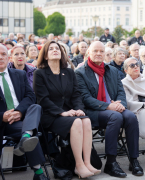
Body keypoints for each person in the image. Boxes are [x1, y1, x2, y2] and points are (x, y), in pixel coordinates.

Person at [75, 41, 143, 178]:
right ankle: (111, 163)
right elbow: (85, 98)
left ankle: (134, 160)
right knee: (115, 117)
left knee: (130, 116)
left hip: (113, 108)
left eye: (102, 51)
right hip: (93, 111)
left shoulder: (112, 70)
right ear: (89, 52)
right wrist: (108, 106)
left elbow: (120, 91)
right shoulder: (80, 72)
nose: (99, 54)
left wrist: (121, 104)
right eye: (95, 51)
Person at [33, 41, 100, 178]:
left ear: (62, 53)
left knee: (86, 120)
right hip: (51, 115)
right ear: (45, 55)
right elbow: (43, 100)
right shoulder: (39, 74)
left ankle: (87, 163)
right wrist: (61, 112)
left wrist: (79, 109)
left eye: (57, 48)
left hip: (71, 112)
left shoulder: (69, 72)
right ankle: (78, 165)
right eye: (50, 49)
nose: (55, 50)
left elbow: (76, 95)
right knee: (76, 122)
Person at [0, 44, 48, 180]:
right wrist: (3, 116)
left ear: (8, 58)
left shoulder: (19, 74)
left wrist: (20, 112)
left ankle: (25, 137)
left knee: (36, 107)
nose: (0, 57)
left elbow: (30, 96)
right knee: (31, 131)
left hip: (23, 117)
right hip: (5, 122)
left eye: (3, 54)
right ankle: (38, 173)